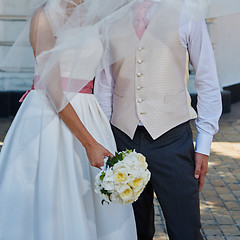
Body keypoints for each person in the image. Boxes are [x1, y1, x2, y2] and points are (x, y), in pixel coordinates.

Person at [0, 1, 137, 239]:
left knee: (92, 199)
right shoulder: (44, 16)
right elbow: (52, 88)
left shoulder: (97, 15)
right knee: (50, 194)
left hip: (90, 112)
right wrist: (90, 143)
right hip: (47, 117)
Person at [95, 0, 222, 239]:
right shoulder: (110, 17)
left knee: (185, 230)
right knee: (133, 231)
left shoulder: (187, 11)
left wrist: (204, 145)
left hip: (172, 139)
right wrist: (104, 140)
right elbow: (104, 85)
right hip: (123, 139)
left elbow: (207, 80)